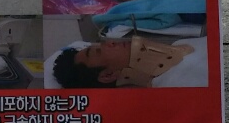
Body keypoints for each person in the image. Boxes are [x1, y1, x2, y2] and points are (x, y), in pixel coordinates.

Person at [51, 38, 196, 88]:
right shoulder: (178, 84)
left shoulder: (180, 44)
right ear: (108, 75)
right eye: (99, 51)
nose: (110, 42)